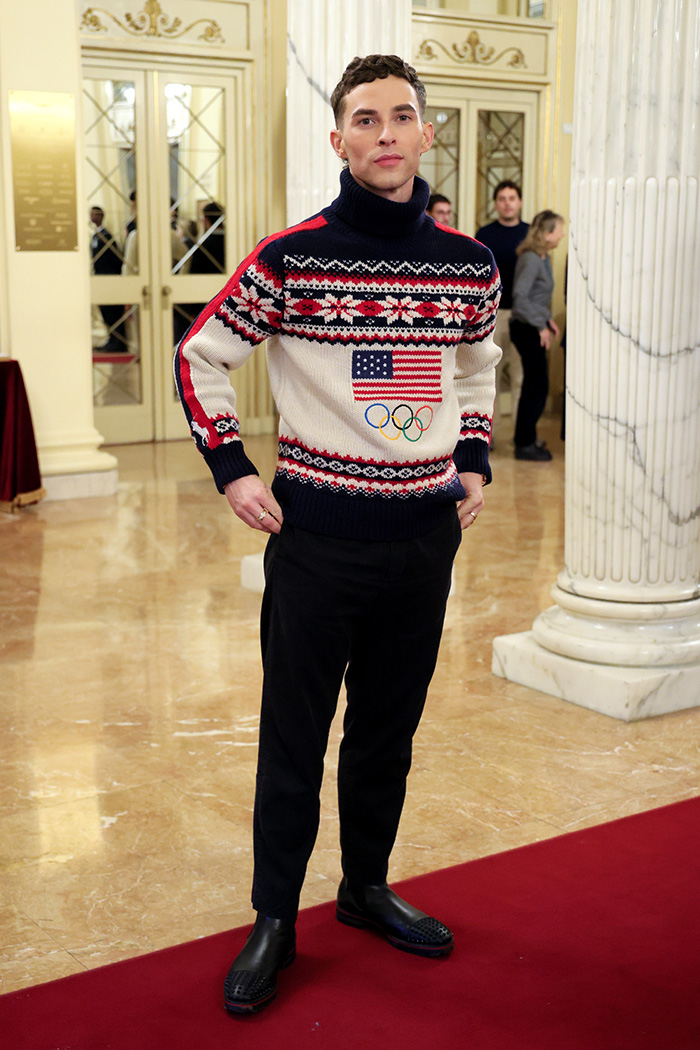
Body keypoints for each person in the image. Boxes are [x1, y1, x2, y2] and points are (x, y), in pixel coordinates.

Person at [175, 53, 501, 1015]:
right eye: (366, 119)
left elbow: (475, 368)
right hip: (318, 539)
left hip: (423, 540)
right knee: (295, 736)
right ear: (339, 139)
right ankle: (274, 917)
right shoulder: (290, 257)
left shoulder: (469, 265)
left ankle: (364, 887)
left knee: (387, 733)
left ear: (427, 132)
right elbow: (201, 356)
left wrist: (472, 456)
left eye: (401, 116)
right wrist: (233, 468)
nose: (385, 133)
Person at [509, 209, 565, 460]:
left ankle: (527, 436)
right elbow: (520, 298)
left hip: (532, 325)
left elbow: (537, 297)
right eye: (559, 229)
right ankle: (524, 444)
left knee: (536, 385)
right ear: (547, 233)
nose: (562, 234)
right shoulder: (531, 259)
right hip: (525, 328)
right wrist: (540, 326)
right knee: (537, 386)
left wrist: (548, 319)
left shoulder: (543, 258)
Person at [475, 181, 529, 436]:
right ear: (496, 204)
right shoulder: (485, 234)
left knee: (520, 376)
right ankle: (489, 436)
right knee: (489, 377)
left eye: (512, 198)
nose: (507, 203)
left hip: (523, 316)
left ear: (520, 202)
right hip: (492, 315)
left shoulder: (530, 234)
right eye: (502, 199)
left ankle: (521, 435)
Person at [89, 206, 126, 352]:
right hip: (100, 278)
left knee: (112, 312)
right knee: (105, 312)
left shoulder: (107, 236)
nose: (91, 217)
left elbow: (115, 259)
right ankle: (111, 338)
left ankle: (118, 342)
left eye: (94, 214)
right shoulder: (95, 236)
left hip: (109, 278)